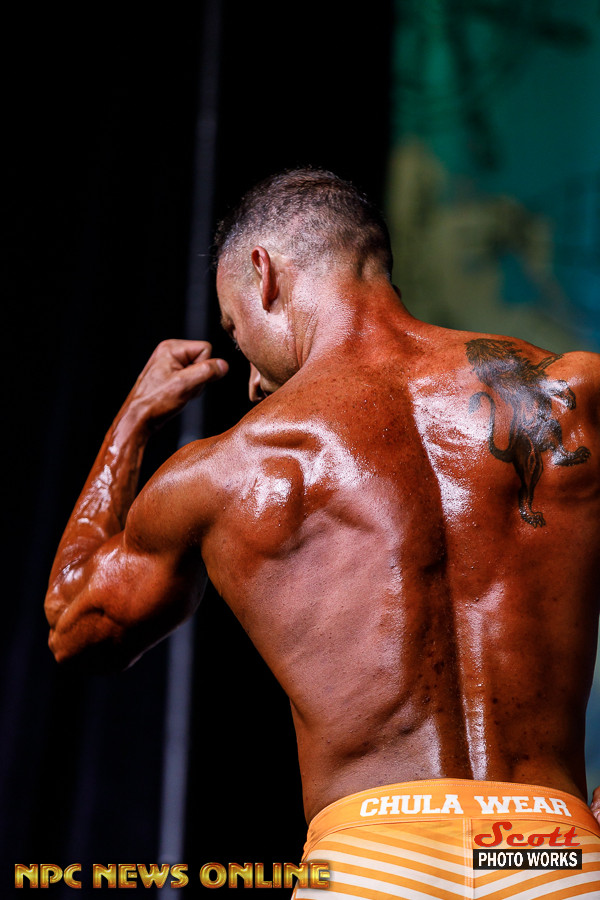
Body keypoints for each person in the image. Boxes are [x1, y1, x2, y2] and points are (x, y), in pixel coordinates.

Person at [45, 169, 600, 898]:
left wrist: (134, 417)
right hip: (549, 853)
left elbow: (76, 627)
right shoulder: (571, 394)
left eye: (236, 331)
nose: (251, 379)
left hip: (375, 860)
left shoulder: (232, 466)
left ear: (264, 274)